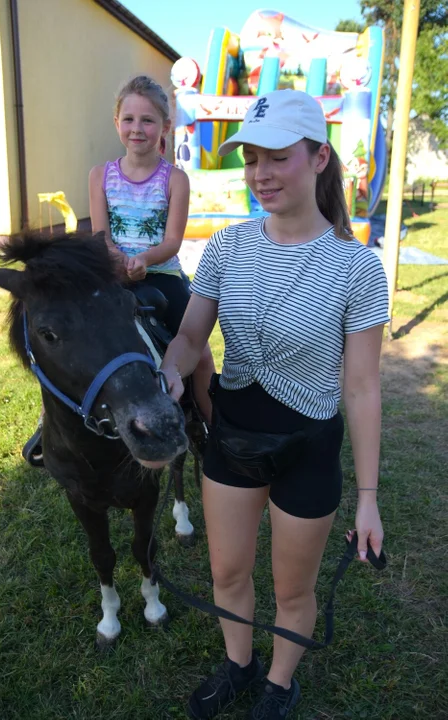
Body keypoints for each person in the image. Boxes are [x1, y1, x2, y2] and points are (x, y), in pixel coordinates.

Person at [161, 89, 389, 720]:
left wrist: (368, 501)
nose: (259, 174)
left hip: (307, 450)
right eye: (251, 159)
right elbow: (188, 336)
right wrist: (173, 372)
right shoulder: (227, 248)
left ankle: (280, 681)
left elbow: (363, 386)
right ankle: (240, 663)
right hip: (233, 438)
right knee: (228, 574)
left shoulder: (358, 268)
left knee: (294, 588)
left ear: (319, 159)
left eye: (277, 157)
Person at [22, 76, 214, 465]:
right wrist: (114, 259)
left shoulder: (175, 178)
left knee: (203, 353)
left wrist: (144, 260)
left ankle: (211, 429)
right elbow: (101, 234)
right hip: (110, 274)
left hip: (162, 275)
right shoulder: (100, 175)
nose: (137, 129)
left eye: (147, 120)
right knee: (71, 338)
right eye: (128, 119)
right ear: (116, 123)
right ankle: (51, 421)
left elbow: (173, 240)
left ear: (164, 126)